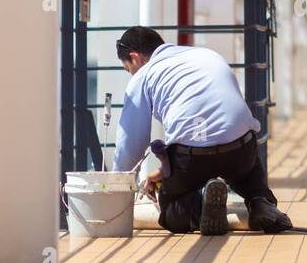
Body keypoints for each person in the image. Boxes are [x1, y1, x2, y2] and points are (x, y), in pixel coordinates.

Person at [111, 27, 291, 236]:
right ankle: (261, 203)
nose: (131, 74)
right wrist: (164, 171)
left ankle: (200, 205)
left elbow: (130, 146)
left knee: (169, 210)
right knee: (249, 173)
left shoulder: (144, 75)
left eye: (128, 69)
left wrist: (115, 188)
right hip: (240, 149)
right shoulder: (207, 55)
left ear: (135, 57)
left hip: (193, 159)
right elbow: (220, 123)